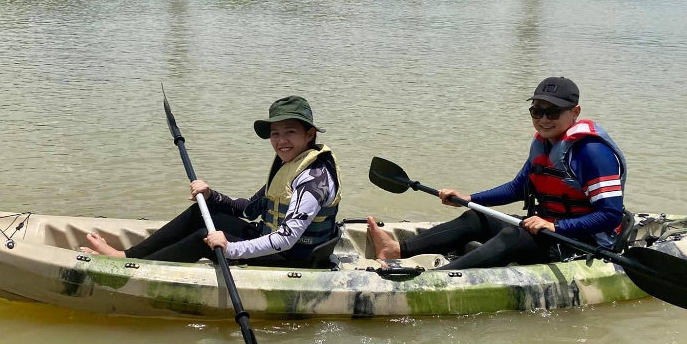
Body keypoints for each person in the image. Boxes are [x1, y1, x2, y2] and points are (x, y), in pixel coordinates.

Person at [367, 77, 627, 270]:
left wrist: (555, 225)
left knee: (513, 235)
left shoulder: (592, 153)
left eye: (553, 112)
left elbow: (610, 214)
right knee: (476, 217)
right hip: (546, 230)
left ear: (575, 112)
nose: (544, 119)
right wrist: (469, 196)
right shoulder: (546, 144)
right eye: (537, 111)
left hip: (580, 240)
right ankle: (396, 250)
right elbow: (517, 188)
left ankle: (436, 279)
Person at [82, 96, 341, 267]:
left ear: (309, 134)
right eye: (275, 134)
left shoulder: (313, 179)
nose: (281, 141)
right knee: (201, 212)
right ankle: (126, 256)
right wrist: (211, 196)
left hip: (295, 258)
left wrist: (230, 249)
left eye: (290, 132)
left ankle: (133, 267)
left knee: (203, 237)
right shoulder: (290, 164)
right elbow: (250, 210)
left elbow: (287, 239)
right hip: (272, 241)